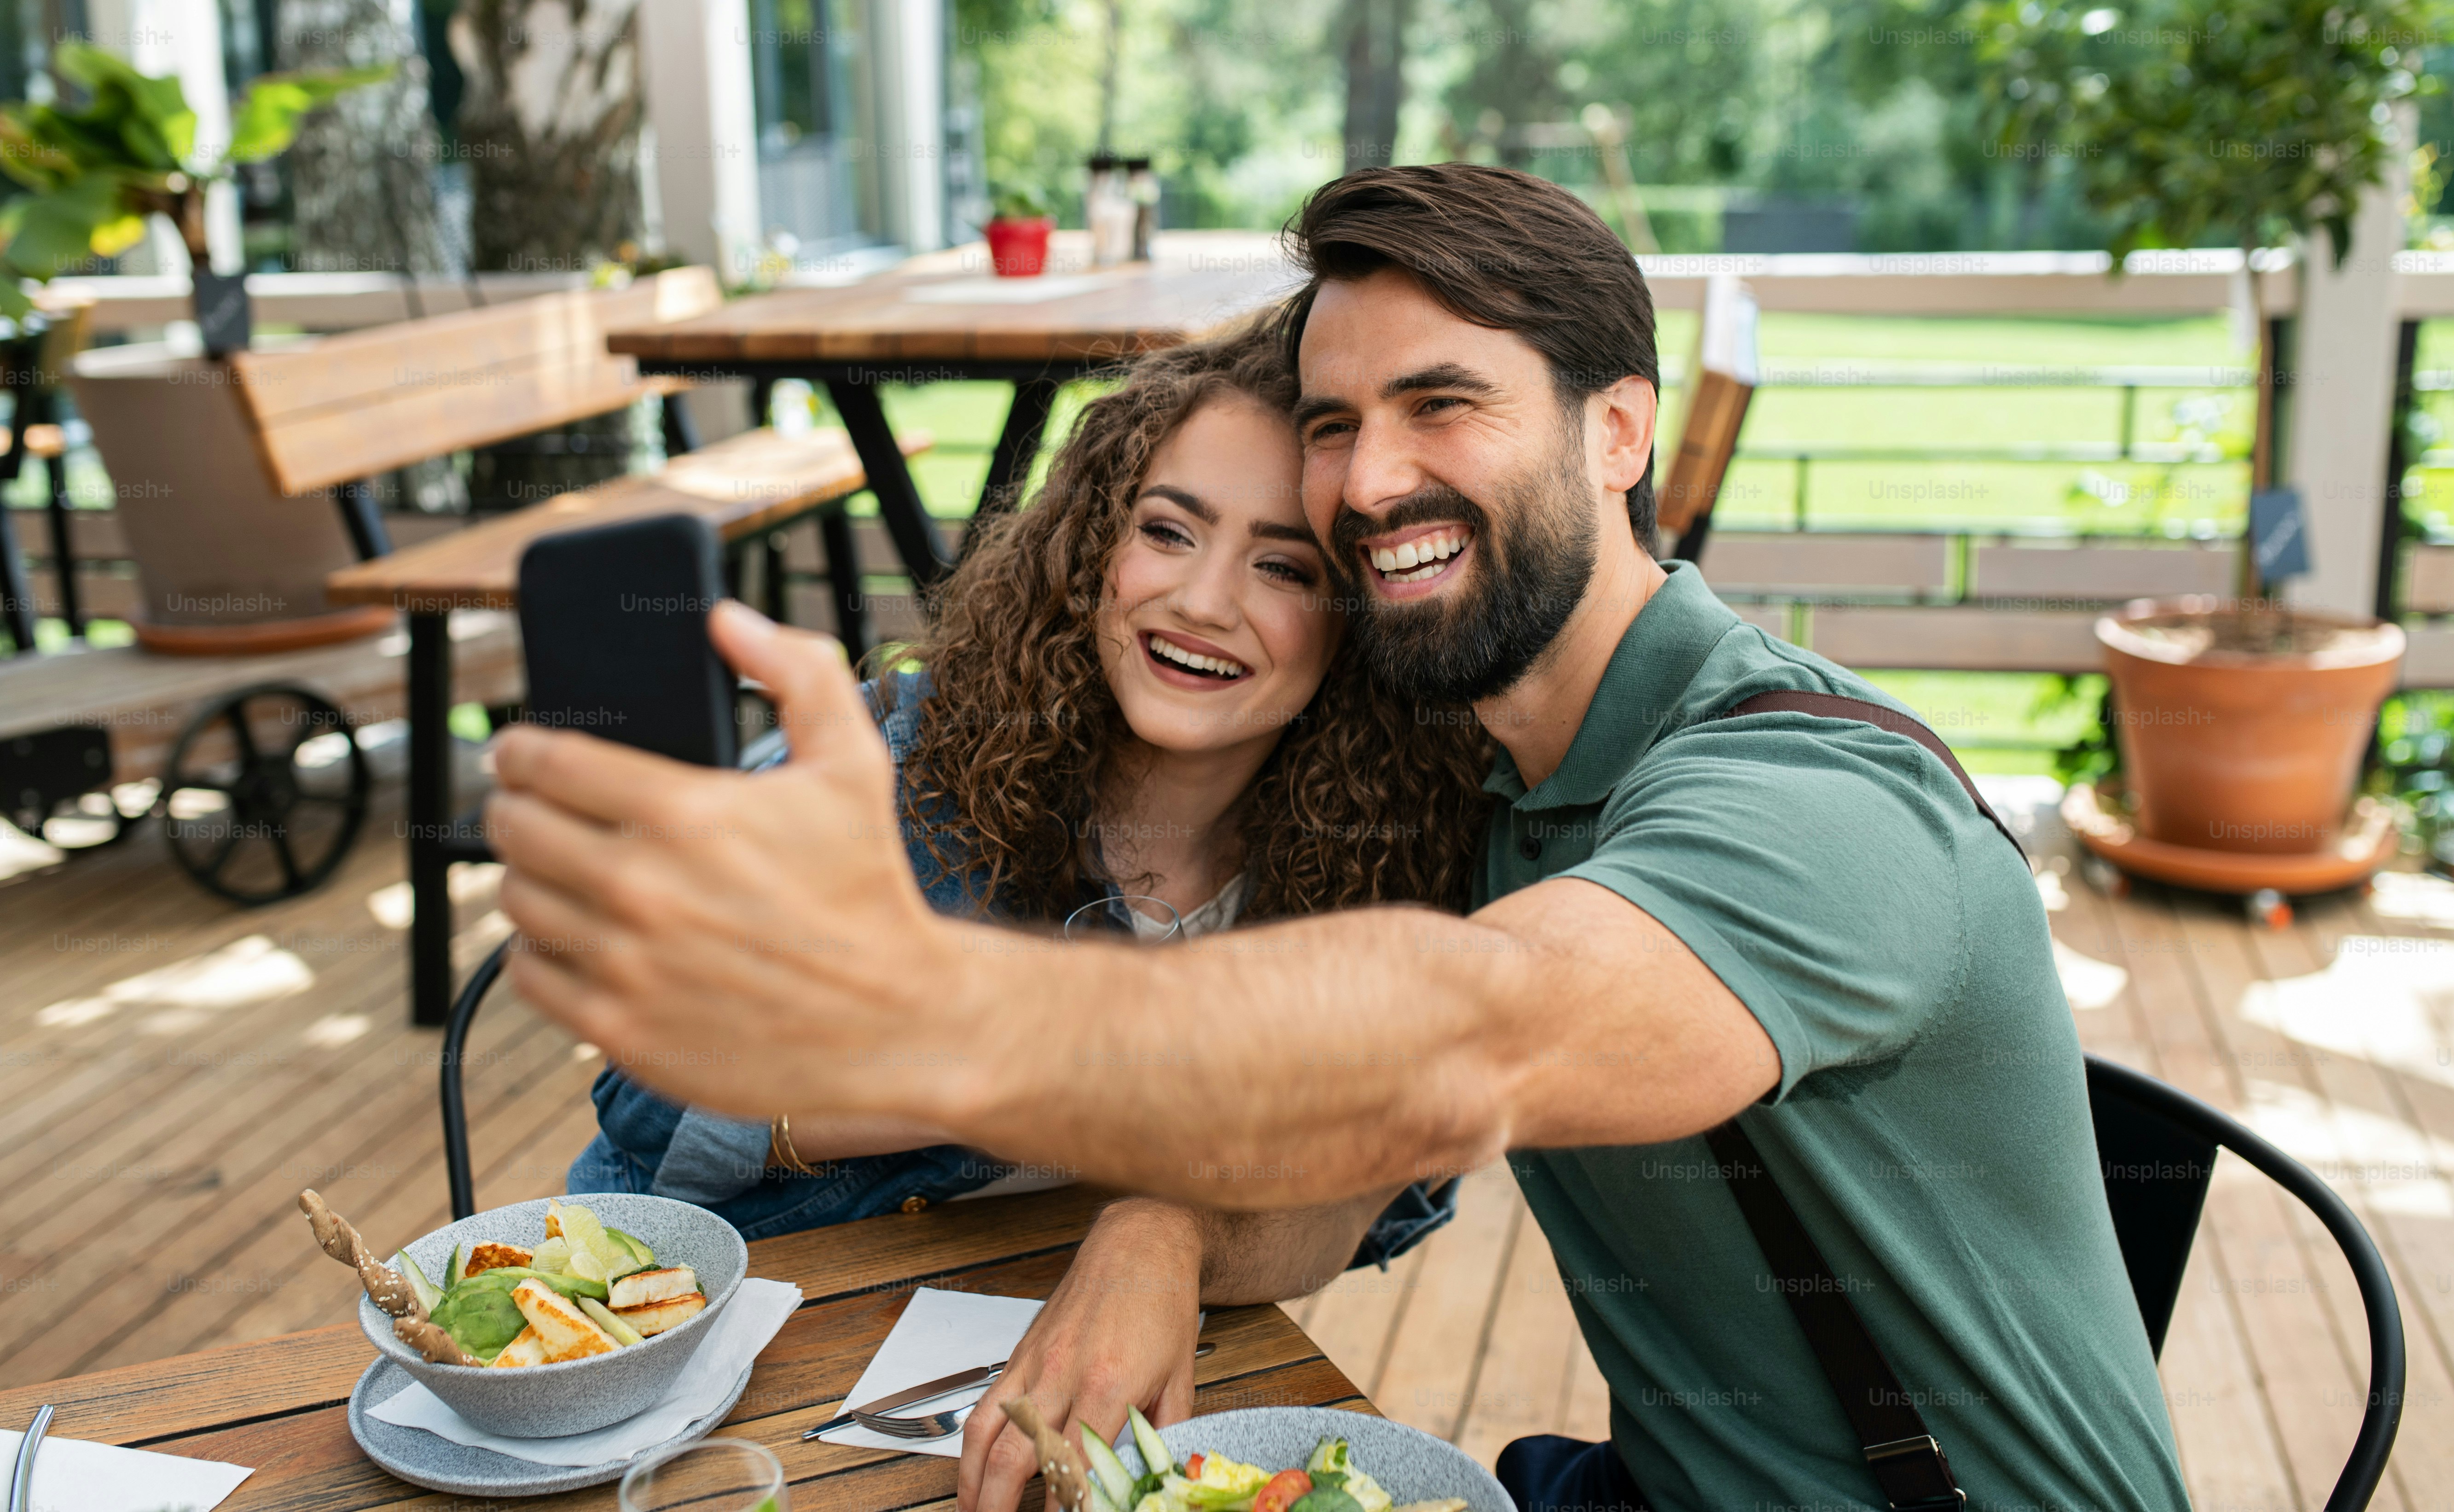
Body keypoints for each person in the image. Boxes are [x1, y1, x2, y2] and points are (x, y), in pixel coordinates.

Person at [487, 165, 2189, 1512]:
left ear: (1619, 431)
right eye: (1332, 419)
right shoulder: (1483, 785)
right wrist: (1161, 1214)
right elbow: (1342, 1145)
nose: (1365, 481)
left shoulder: (1810, 802)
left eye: (1444, 404)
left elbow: (1465, 1030)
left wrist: (920, 1004)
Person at [561, 317, 1487, 1481]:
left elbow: (1379, 1183)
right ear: (1093, 547)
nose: (1202, 600)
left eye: (1283, 565)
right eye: (1167, 531)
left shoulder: (1374, 863)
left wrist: (1173, 1215)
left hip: (1038, 1357)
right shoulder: (893, 762)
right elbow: (651, 1094)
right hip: (713, 1344)